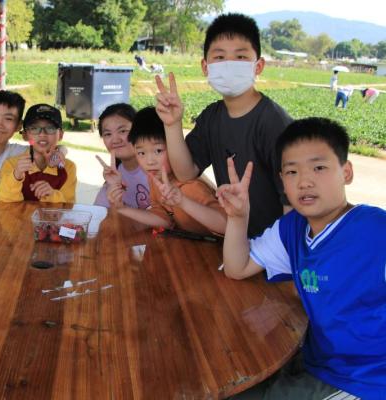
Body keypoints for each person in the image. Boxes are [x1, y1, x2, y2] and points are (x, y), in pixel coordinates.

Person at [218, 117, 386, 399]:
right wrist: (238, 217)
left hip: (363, 379)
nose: (305, 181)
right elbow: (238, 268)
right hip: (313, 360)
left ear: (346, 172)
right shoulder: (293, 228)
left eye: (319, 168)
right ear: (282, 181)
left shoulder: (376, 230)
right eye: (292, 172)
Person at [156, 13, 292, 238]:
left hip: (275, 245)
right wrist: (172, 125)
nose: (229, 65)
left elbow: (292, 201)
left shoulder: (273, 122)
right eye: (219, 57)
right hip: (237, 240)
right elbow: (185, 172)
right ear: (205, 66)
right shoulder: (212, 117)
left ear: (258, 66)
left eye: (241, 56)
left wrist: (283, 251)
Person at [107, 107, 226, 235]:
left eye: (158, 151)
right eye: (141, 153)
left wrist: (183, 202)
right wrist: (122, 208)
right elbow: (164, 219)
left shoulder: (192, 186)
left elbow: (226, 225)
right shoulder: (155, 180)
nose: (149, 161)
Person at [0, 104, 77, 203]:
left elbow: (69, 206)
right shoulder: (11, 164)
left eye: (50, 128)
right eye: (34, 128)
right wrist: (16, 176)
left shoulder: (68, 167)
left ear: (60, 135)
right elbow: (2, 203)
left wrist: (52, 195)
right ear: (25, 135)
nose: (42, 134)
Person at [94, 103, 150, 209]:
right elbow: (98, 212)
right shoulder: (113, 176)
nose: (115, 140)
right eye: (108, 134)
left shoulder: (156, 169)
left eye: (123, 131)